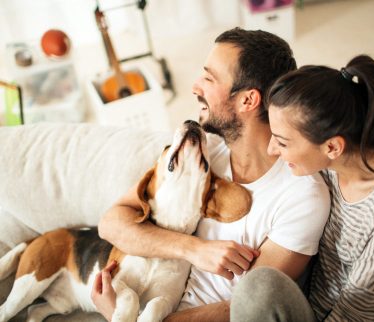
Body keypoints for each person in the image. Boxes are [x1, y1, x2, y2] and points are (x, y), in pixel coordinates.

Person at [91, 27, 331, 321]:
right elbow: (111, 223)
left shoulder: (302, 195)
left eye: (208, 78)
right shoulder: (205, 153)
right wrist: (194, 249)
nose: (194, 86)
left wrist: (123, 316)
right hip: (152, 304)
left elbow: (244, 309)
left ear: (247, 100)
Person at [230, 55, 374, 321]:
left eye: (282, 142)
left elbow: (360, 314)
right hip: (317, 301)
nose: (272, 149)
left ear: (332, 147)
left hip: (359, 317)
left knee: (258, 290)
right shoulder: (330, 165)